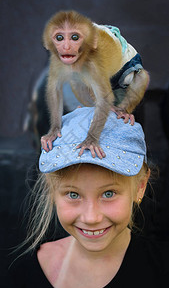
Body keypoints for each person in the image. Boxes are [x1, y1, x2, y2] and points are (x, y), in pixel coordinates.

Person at [9, 107, 169, 288]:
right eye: (73, 194)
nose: (91, 218)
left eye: (109, 193)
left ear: (140, 187)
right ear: (52, 189)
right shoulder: (19, 273)